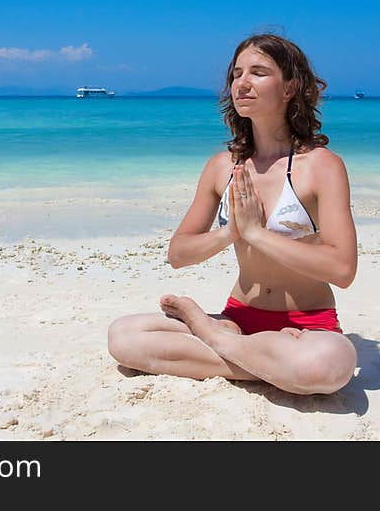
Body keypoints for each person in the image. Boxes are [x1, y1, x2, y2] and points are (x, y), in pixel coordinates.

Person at [107, 33, 358, 395]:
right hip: (237, 320)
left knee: (326, 365)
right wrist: (230, 234)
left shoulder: (321, 167)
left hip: (306, 324)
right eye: (237, 74)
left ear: (289, 88)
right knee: (123, 337)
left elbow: (342, 269)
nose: (242, 83)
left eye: (258, 72)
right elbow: (178, 254)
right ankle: (261, 361)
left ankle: (213, 340)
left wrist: (257, 234)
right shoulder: (221, 166)